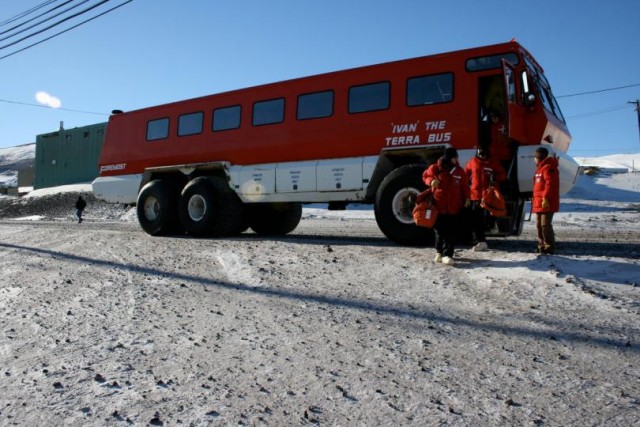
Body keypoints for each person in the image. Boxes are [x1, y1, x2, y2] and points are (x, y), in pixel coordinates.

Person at [422, 147, 470, 266]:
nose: (456, 159)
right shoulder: (436, 168)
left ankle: (448, 254)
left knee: (452, 232)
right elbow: (425, 176)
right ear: (448, 158)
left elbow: (464, 186)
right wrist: (431, 181)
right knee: (439, 231)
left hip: (454, 208)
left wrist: (467, 198)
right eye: (454, 157)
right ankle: (439, 252)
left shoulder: (459, 171)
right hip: (439, 207)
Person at [464, 145, 506, 251]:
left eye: (484, 154)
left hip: (488, 196)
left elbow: (502, 174)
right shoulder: (472, 162)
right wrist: (468, 184)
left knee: (487, 216)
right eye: (481, 154)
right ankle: (480, 240)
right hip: (475, 195)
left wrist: (495, 178)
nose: (482, 156)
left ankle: (492, 225)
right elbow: (465, 174)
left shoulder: (493, 163)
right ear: (478, 153)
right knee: (476, 219)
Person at [532, 147, 560, 254]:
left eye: (535, 157)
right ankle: (541, 245)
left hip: (546, 202)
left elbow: (550, 184)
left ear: (539, 157)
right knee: (539, 224)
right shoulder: (540, 169)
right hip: (539, 202)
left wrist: (545, 197)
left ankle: (549, 246)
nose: (534, 159)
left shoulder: (548, 168)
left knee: (545, 224)